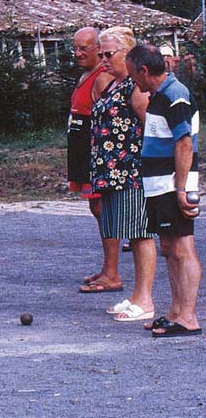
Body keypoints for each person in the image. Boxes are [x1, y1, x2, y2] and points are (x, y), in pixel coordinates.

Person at [126, 43, 202, 337]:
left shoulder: (175, 95)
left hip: (173, 184)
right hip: (158, 185)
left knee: (183, 247)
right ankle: (175, 312)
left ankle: (189, 317)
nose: (134, 81)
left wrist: (181, 188)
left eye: (134, 75)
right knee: (169, 248)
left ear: (144, 70)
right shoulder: (158, 95)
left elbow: (184, 142)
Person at [83, 27, 157, 323]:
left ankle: (146, 299)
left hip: (132, 172)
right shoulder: (114, 84)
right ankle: (137, 296)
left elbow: (151, 129)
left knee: (141, 234)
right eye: (100, 54)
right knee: (129, 232)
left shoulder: (136, 89)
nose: (103, 59)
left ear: (128, 53)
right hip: (111, 173)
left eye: (108, 54)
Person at [67, 27, 119, 289]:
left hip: (95, 150)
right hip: (80, 149)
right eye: (74, 48)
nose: (77, 53)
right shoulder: (86, 75)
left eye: (83, 48)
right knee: (95, 209)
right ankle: (107, 269)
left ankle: (112, 274)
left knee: (102, 208)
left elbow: (108, 119)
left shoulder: (102, 77)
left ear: (98, 49)